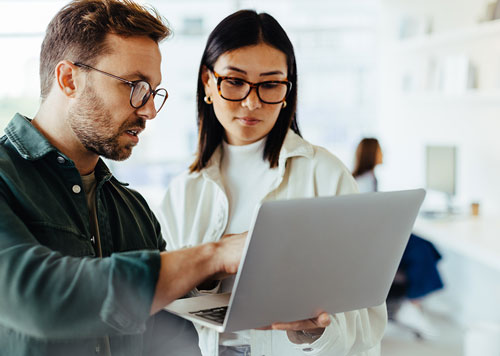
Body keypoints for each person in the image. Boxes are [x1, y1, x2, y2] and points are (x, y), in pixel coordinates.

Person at [0, 1, 250, 355]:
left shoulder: (134, 210)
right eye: (134, 85)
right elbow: (38, 297)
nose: (148, 110)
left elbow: (171, 343)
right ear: (69, 79)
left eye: (152, 92)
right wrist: (212, 256)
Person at [160, 10, 387, 356]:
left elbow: (368, 319)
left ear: (287, 90)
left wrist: (313, 333)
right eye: (234, 81)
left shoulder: (325, 174)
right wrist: (203, 272)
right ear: (208, 81)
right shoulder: (183, 191)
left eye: (269, 84)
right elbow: (169, 307)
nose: (252, 102)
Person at [352, 138, 444, 339]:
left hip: (381, 235)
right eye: (380, 151)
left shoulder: (369, 178)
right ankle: (413, 303)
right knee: (422, 252)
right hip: (374, 242)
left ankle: (413, 301)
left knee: (428, 247)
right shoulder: (364, 182)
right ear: (371, 154)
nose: (383, 154)